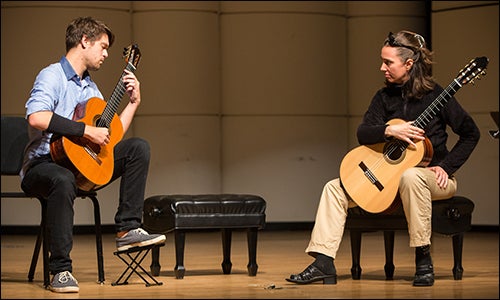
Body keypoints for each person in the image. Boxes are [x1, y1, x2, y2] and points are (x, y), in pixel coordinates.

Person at [286, 30, 480, 287]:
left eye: (388, 62)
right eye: (382, 61)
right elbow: (363, 133)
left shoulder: (437, 95)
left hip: (431, 179)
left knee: (411, 176)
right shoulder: (383, 97)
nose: (382, 67)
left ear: (409, 64)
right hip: (389, 181)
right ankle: (323, 262)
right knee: (334, 188)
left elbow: (471, 134)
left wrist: (446, 166)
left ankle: (423, 259)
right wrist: (390, 129)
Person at [20, 16, 166, 293]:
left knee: (138, 148)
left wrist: (134, 103)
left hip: (80, 164)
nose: (106, 54)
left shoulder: (91, 89)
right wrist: (85, 130)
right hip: (43, 165)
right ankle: (60, 270)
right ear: (84, 41)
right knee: (61, 179)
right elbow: (37, 117)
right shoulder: (52, 75)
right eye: (103, 46)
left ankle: (127, 229)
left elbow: (110, 137)